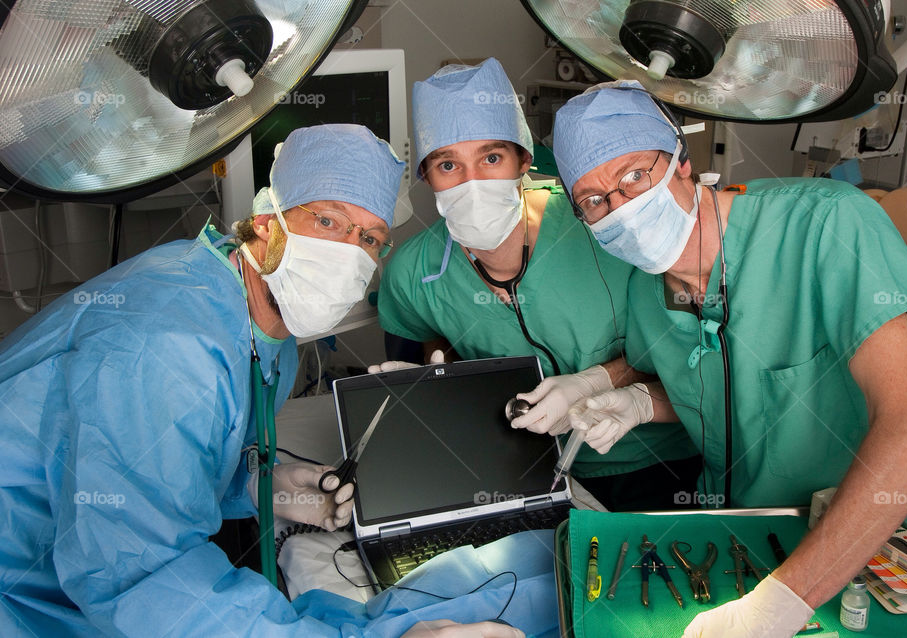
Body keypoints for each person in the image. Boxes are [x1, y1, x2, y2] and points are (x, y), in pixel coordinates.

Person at [0, 123, 519, 638]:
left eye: (369, 238)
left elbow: (180, 462)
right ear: (267, 225)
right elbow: (143, 572)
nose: (350, 250)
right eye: (328, 220)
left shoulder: (270, 330)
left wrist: (256, 487)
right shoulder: (166, 345)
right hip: (23, 584)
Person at [551, 82, 907, 637]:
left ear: (683, 163)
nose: (621, 208)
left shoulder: (826, 225)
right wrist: (640, 402)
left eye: (634, 177)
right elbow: (724, 394)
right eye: (594, 201)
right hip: (747, 537)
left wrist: (781, 606)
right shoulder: (649, 295)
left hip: (867, 548)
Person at [374, 58, 699, 511]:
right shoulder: (414, 272)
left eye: (491, 158)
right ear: (426, 175)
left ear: (523, 160)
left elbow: (685, 357)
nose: (472, 183)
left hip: (653, 463)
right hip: (520, 467)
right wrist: (439, 383)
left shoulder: (603, 225)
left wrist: (593, 382)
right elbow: (426, 348)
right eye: (448, 164)